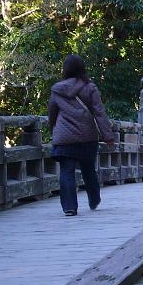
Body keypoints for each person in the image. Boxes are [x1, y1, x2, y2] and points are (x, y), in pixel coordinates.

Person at [48, 54, 116, 216]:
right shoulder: (90, 87)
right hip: (87, 136)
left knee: (66, 171)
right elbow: (99, 113)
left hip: (64, 137)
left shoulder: (57, 90)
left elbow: (52, 113)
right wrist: (108, 135)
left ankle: (70, 207)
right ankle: (94, 199)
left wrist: (54, 131)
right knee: (88, 169)